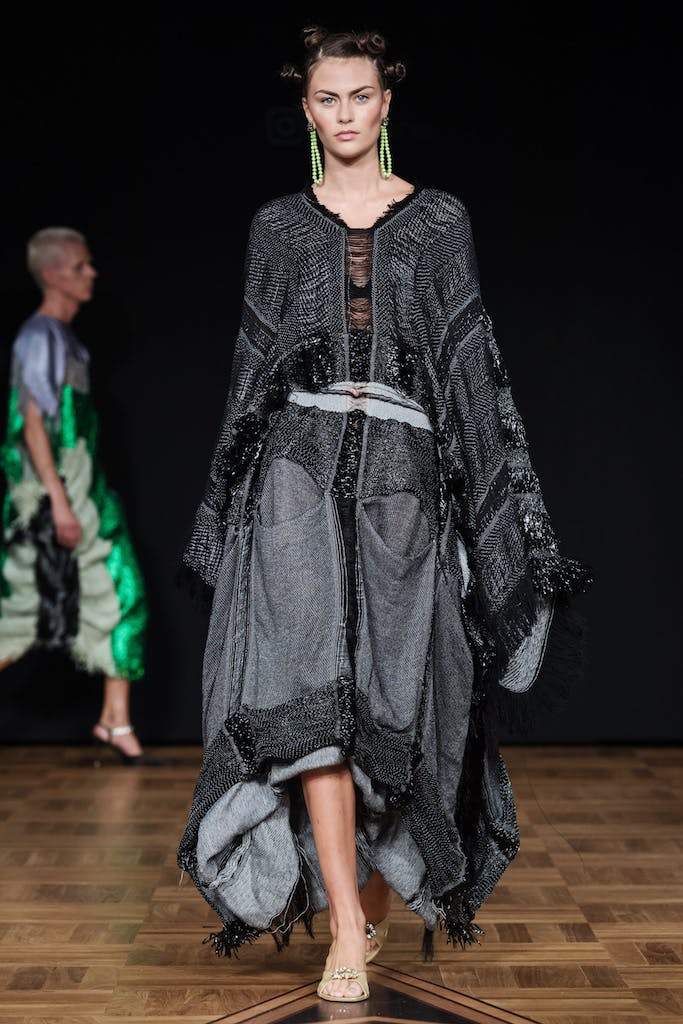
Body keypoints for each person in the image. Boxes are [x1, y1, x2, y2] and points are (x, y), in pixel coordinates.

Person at [176, 25, 594, 1004]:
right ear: (306, 109)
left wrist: (490, 518)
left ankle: (365, 898)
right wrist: (224, 508)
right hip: (294, 473)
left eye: (360, 95)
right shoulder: (278, 227)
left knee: (396, 706)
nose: (346, 114)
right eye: (327, 99)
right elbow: (251, 369)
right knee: (309, 698)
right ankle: (344, 926)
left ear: (386, 102)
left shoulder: (439, 221)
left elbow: (468, 368)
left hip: (404, 474)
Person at [0, 227, 149, 764]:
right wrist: (58, 502)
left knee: (117, 593)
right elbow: (32, 423)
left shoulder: (63, 338)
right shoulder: (39, 337)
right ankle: (115, 719)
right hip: (53, 495)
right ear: (52, 274)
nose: (91, 274)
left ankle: (115, 719)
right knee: (19, 612)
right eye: (80, 266)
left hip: (83, 488)